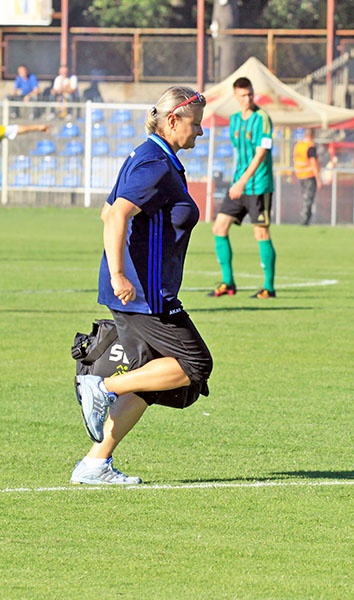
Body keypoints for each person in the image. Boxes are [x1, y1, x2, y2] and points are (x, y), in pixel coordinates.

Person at [72, 87, 213, 484]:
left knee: (152, 376)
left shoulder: (149, 155)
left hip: (141, 289)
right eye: (196, 124)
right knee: (195, 364)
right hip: (144, 295)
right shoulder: (154, 164)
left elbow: (106, 211)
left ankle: (95, 465)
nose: (200, 133)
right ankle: (101, 385)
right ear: (173, 120)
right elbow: (116, 216)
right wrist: (120, 274)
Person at [209, 77, 277, 299]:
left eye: (250, 94)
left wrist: (242, 181)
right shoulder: (234, 120)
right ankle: (228, 282)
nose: (247, 98)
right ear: (236, 97)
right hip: (239, 184)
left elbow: (261, 153)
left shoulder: (263, 118)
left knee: (261, 232)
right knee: (219, 227)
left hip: (258, 185)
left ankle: (268, 287)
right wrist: (237, 181)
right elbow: (240, 153)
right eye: (243, 95)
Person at [292, 128, 321, 226]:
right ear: (313, 134)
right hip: (309, 175)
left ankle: (305, 219)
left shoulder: (299, 145)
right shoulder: (310, 146)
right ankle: (304, 220)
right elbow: (313, 163)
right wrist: (318, 179)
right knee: (308, 198)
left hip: (300, 175)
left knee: (305, 197)